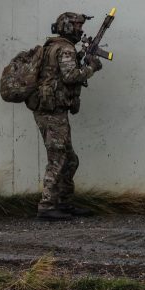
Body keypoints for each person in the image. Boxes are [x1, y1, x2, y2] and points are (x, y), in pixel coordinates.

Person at [28, 13, 103, 221]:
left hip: (53, 110)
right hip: (52, 111)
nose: (80, 30)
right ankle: (47, 206)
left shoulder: (53, 46)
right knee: (58, 158)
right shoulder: (65, 48)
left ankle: (64, 203)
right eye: (77, 26)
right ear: (67, 27)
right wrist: (92, 67)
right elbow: (71, 76)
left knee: (70, 160)